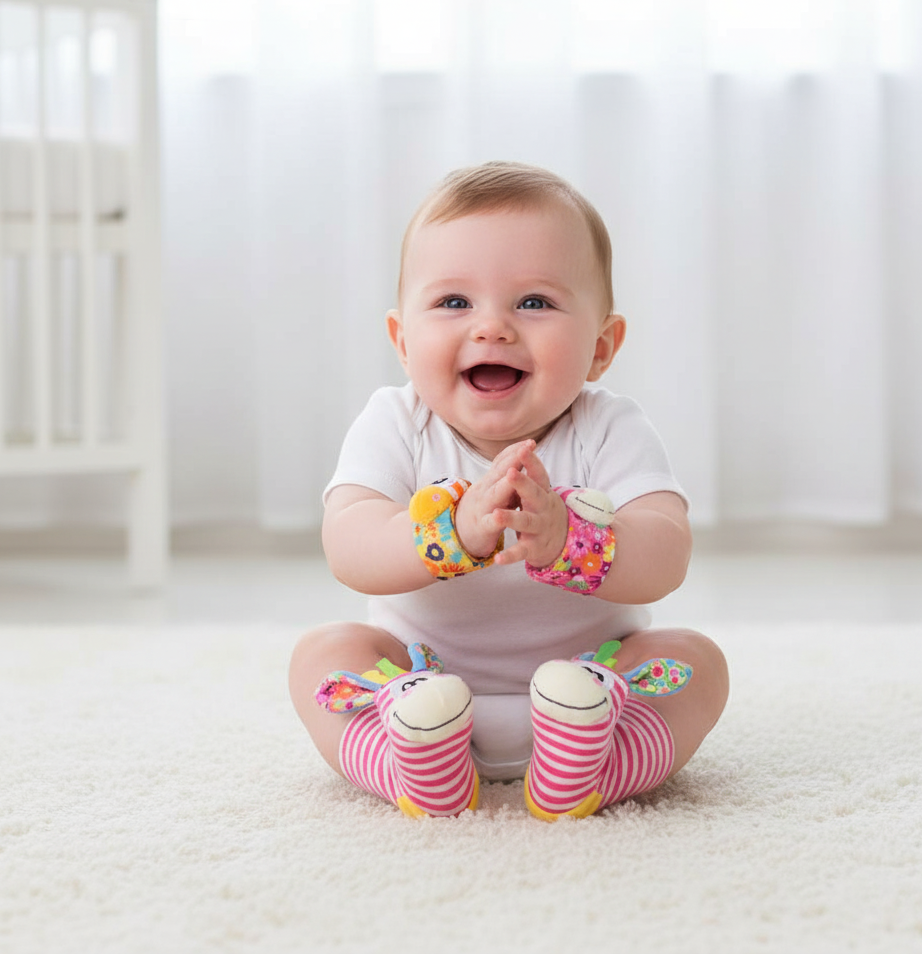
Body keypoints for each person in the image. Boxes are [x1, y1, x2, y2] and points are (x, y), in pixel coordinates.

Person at [289, 161, 728, 820]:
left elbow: (666, 553)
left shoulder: (611, 427)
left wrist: (569, 542)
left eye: (534, 302)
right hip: (417, 686)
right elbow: (350, 545)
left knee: (697, 661)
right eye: (453, 302)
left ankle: (586, 772)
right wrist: (451, 536)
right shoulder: (395, 423)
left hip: (597, 691)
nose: (491, 327)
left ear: (601, 346)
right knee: (319, 655)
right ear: (403, 341)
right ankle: (414, 770)